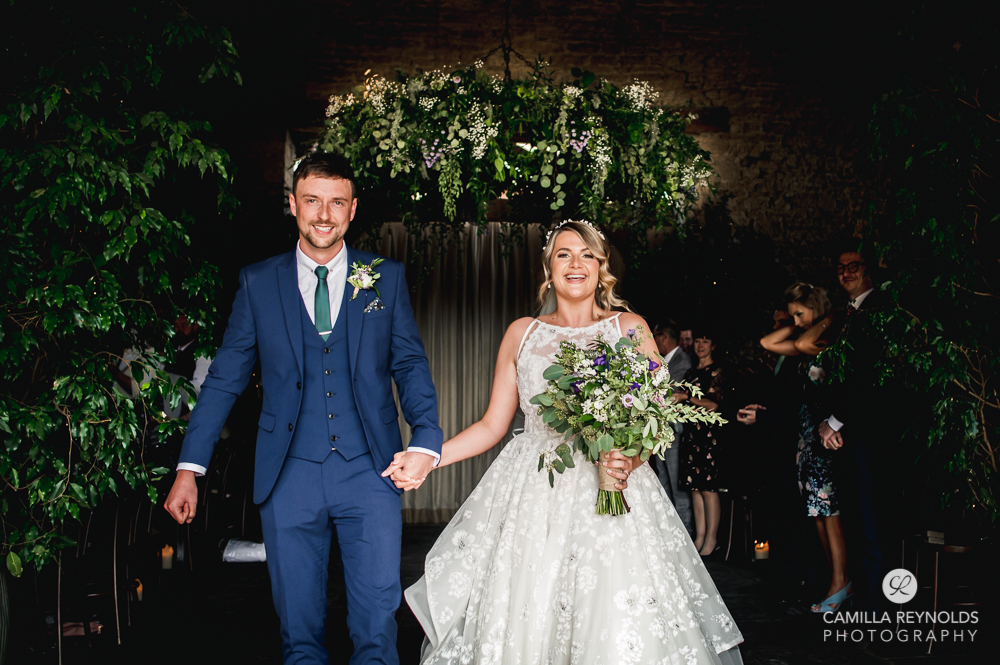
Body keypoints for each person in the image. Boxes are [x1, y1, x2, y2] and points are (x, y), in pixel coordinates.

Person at [387, 220, 743, 665]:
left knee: (613, 613)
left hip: (615, 493)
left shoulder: (630, 327)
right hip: (536, 494)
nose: (576, 263)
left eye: (586, 254)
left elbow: (658, 419)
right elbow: (492, 425)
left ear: (601, 266)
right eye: (563, 254)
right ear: (548, 267)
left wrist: (630, 461)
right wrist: (428, 457)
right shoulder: (523, 333)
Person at [164, 153, 443, 665]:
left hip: (371, 471)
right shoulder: (257, 282)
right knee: (298, 631)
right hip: (287, 474)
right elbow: (224, 380)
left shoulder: (384, 276)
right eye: (312, 200)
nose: (323, 214)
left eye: (337, 203)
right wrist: (190, 468)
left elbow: (409, 364)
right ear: (292, 204)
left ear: (353, 210)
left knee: (377, 627)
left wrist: (426, 438)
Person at [816, 247, 900, 611]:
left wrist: (835, 421)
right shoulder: (847, 315)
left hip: (872, 431)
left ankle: (883, 605)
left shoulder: (880, 311)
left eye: (853, 266)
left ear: (868, 270)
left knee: (874, 519)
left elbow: (868, 377)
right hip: (847, 433)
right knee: (855, 514)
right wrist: (827, 421)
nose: (846, 272)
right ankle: (867, 597)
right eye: (841, 267)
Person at [760, 283, 849, 612]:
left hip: (825, 432)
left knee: (829, 510)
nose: (795, 320)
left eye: (800, 312)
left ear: (816, 307)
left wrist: (827, 317)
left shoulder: (827, 337)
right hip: (806, 434)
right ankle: (836, 579)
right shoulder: (807, 337)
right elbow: (768, 342)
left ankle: (840, 581)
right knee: (816, 512)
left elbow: (802, 341)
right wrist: (801, 320)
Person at [675, 327, 727, 559]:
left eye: (705, 341)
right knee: (694, 488)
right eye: (697, 341)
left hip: (708, 436)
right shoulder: (689, 373)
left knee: (708, 488)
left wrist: (686, 397)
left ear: (713, 345)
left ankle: (712, 539)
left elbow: (714, 405)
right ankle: (700, 536)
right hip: (690, 434)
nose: (700, 345)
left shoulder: (716, 371)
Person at [649, 320, 694, 534]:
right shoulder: (665, 361)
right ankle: (668, 531)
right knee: (664, 483)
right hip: (660, 430)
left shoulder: (681, 362)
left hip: (673, 432)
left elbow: (669, 396)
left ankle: (683, 534)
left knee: (677, 486)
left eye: (655, 336)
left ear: (663, 337)